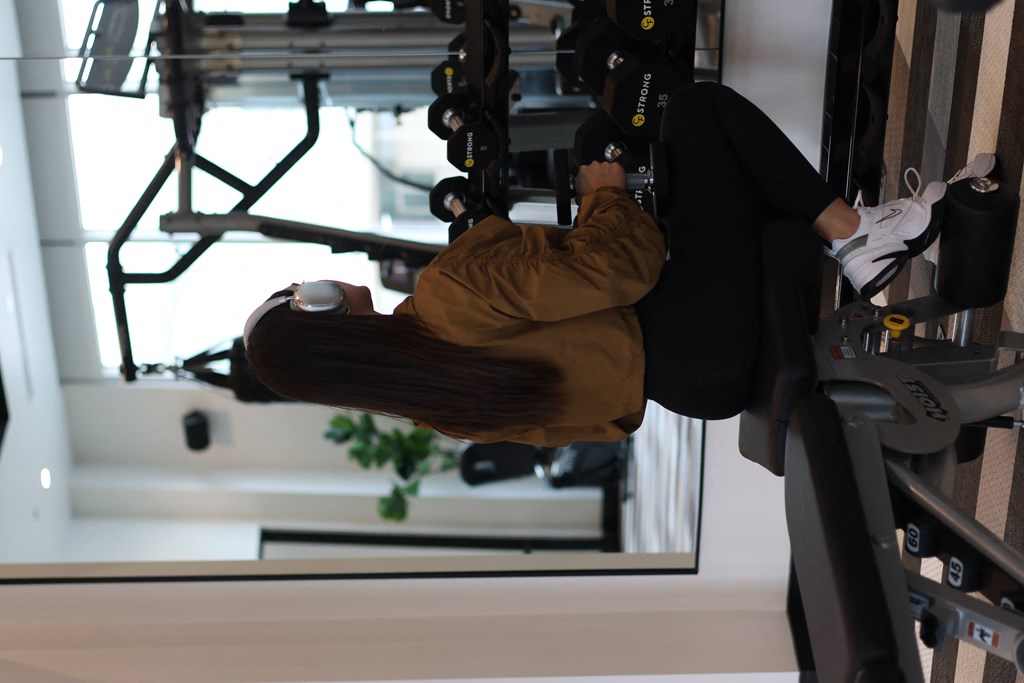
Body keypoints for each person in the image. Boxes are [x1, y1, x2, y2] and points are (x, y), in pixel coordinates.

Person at [244, 82, 993, 447]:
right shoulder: (446, 296)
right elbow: (626, 273)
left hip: (696, 387)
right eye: (298, 294)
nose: (308, 286)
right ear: (317, 310)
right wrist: (602, 198)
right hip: (689, 326)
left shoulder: (438, 405)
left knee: (714, 191)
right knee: (696, 114)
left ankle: (851, 236)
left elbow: (597, 397)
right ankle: (860, 235)